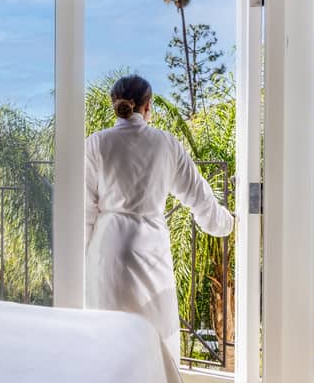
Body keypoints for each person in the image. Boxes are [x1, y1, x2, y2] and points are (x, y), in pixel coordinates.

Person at [85, 74, 233, 363]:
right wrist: (227, 222)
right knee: (155, 337)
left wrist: (82, 258)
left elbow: (84, 210)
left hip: (108, 248)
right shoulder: (166, 143)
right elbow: (198, 196)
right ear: (147, 105)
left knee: (107, 340)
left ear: (115, 104)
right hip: (150, 247)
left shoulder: (96, 144)